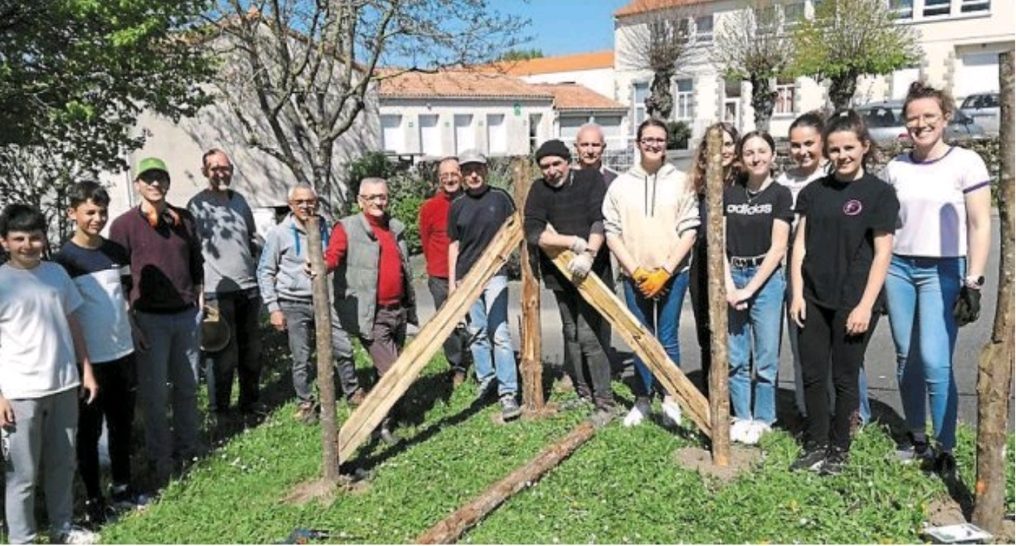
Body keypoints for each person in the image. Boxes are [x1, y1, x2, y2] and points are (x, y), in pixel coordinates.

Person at [884, 81, 992, 476]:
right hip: (898, 268)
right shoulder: (896, 167)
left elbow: (980, 224)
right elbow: (885, 227)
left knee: (934, 359)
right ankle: (917, 438)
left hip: (943, 269)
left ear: (945, 117)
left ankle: (946, 446)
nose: (921, 124)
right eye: (913, 118)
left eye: (929, 116)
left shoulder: (966, 163)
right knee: (905, 357)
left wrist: (973, 281)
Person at [789, 110, 898, 475]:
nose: (842, 156)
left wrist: (866, 305)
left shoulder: (879, 194)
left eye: (849, 148)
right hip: (814, 298)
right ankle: (816, 442)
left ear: (864, 147)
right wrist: (798, 294)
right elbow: (799, 246)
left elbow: (883, 253)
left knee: (844, 377)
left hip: (854, 301)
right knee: (813, 374)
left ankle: (840, 447)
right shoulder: (813, 192)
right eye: (834, 150)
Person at [0, 203, 99, 545]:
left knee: (62, 466)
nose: (28, 244)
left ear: (44, 238)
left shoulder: (56, 273)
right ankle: (22, 539)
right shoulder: (1, 281)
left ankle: (62, 529)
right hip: (19, 395)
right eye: (19, 238)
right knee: (22, 476)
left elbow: (73, 323)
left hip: (63, 385)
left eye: (35, 237)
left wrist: (86, 370)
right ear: (4, 242)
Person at [53, 182, 147, 527]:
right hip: (89, 362)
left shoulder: (116, 252)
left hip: (122, 353)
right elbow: (66, 315)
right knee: (89, 434)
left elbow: (123, 297)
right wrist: (82, 363)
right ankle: (94, 499)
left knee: (123, 426)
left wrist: (134, 329)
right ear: (72, 213)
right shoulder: (64, 261)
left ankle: (123, 488)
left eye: (102, 211)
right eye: (89, 212)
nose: (97, 218)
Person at [109, 157, 204, 485]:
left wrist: (200, 299)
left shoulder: (184, 219)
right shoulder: (123, 226)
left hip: (186, 316)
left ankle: (189, 449)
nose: (155, 184)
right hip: (148, 320)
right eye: (148, 179)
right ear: (137, 184)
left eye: (160, 178)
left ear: (167, 183)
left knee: (188, 388)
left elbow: (196, 262)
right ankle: (160, 458)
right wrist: (130, 321)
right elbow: (119, 279)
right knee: (154, 395)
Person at [777, 113, 872, 429]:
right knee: (806, 349)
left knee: (846, 356)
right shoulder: (784, 182)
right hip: (798, 277)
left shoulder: (841, 178)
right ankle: (810, 412)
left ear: (824, 144)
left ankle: (852, 414)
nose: (802, 151)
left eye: (809, 144)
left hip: (839, 276)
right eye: (795, 145)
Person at [603, 119, 699, 428]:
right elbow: (611, 231)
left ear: (666, 143)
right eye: (648, 139)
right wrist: (635, 270)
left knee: (667, 337)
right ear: (637, 142)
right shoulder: (620, 184)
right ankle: (643, 399)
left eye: (659, 139)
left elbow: (690, 230)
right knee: (641, 337)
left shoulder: (682, 181)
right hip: (635, 275)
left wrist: (666, 270)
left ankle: (671, 397)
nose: (654, 144)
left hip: (673, 272)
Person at [257, 184, 364, 424]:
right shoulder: (279, 234)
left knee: (342, 347)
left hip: (324, 300)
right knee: (301, 356)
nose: (306, 206)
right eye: (300, 202)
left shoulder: (325, 226)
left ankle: (353, 391)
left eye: (310, 201)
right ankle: (305, 402)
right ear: (291, 205)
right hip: (294, 302)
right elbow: (265, 271)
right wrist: (273, 308)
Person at [524, 139, 615, 421]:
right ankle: (583, 392)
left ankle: (605, 401)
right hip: (559, 273)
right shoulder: (539, 190)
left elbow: (599, 220)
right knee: (570, 332)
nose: (551, 171)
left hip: (592, 270)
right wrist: (573, 242)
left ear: (568, 161)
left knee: (589, 335)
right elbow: (533, 232)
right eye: (545, 166)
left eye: (556, 163)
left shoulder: (590, 180)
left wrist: (588, 252)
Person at [324, 177, 417, 443]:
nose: (378, 202)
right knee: (393, 373)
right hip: (371, 315)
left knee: (391, 370)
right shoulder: (347, 227)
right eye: (372, 197)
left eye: (382, 197)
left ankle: (393, 417)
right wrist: (321, 264)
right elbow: (334, 255)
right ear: (360, 201)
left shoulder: (394, 228)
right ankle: (377, 425)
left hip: (397, 310)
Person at [722, 131, 793, 445]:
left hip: (764, 279)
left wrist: (749, 289)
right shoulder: (730, 193)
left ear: (773, 155)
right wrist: (728, 285)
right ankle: (742, 414)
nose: (755, 157)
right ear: (741, 158)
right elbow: (719, 245)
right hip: (732, 275)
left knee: (765, 356)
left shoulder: (780, 195)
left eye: (762, 151)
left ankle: (764, 417)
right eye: (749, 152)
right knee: (736, 355)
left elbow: (779, 248)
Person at [187, 149, 263, 423]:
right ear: (205, 171)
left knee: (251, 352)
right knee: (220, 355)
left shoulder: (240, 201)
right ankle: (220, 411)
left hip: (248, 289)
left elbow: (252, 240)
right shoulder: (197, 206)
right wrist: (197, 290)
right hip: (214, 293)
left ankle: (250, 404)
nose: (221, 172)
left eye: (225, 167)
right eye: (214, 168)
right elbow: (191, 251)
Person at [447, 150, 521, 421]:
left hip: (495, 274)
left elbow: (516, 230)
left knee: (499, 332)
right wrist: (454, 282)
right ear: (462, 175)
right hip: (467, 277)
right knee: (476, 332)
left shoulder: (500, 198)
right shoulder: (457, 205)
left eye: (477, 169)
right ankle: (486, 379)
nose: (473, 174)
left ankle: (508, 392)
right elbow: (454, 245)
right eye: (468, 170)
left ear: (485, 170)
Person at [687, 122, 739, 396]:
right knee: (707, 332)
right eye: (716, 144)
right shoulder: (698, 185)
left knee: (735, 335)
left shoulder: (744, 183)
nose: (724, 150)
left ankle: (737, 395)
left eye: (729, 143)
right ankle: (712, 393)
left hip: (736, 267)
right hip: (701, 266)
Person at [419, 157, 470, 387]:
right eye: (444, 175)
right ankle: (457, 366)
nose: (450, 178)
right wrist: (436, 271)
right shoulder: (430, 208)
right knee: (448, 325)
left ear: (461, 175)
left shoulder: (472, 201)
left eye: (454, 173)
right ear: (439, 179)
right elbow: (425, 241)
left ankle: (481, 363)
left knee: (476, 321)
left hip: (471, 273)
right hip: (440, 275)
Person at [574, 123, 619, 187]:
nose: (590, 151)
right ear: (576, 148)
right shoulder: (566, 179)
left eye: (595, 145)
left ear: (603, 148)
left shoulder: (615, 181)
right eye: (585, 145)